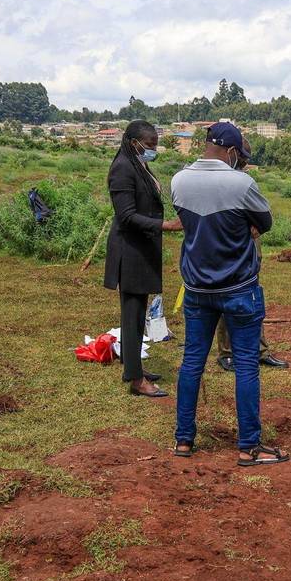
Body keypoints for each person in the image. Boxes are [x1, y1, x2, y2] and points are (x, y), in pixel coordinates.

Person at [170, 122, 289, 466]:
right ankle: (249, 446)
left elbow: (188, 223)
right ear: (233, 151)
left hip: (196, 289)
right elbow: (265, 223)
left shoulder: (179, 180)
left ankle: (183, 440)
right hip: (238, 288)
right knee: (247, 365)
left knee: (192, 362)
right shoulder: (242, 183)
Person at [103, 119, 183, 398]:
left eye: (155, 145)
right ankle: (137, 380)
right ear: (133, 142)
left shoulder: (138, 164)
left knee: (136, 313)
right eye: (149, 145)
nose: (152, 150)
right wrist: (165, 226)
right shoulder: (123, 168)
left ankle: (132, 365)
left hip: (141, 248)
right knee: (133, 313)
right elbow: (126, 216)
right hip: (130, 249)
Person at [214, 141, 288, 372]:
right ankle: (227, 353)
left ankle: (260, 350)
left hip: (250, 247)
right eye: (242, 156)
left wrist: (257, 224)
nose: (244, 161)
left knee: (253, 297)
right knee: (226, 298)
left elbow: (263, 211)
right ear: (232, 152)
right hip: (226, 247)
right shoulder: (215, 180)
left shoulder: (246, 180)